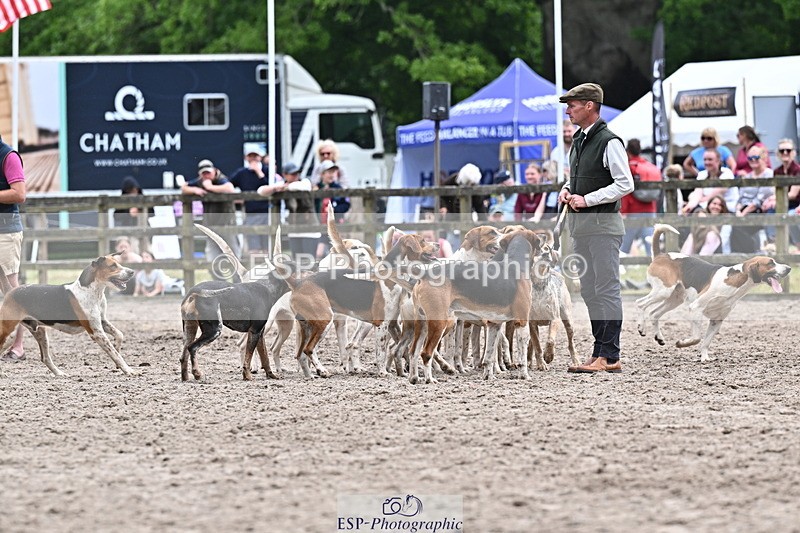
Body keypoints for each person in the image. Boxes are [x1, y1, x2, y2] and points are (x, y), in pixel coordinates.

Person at [557, 83, 633, 374]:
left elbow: (625, 183)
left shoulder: (609, 141)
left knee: (607, 288)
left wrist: (587, 199)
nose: (568, 111)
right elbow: (576, 179)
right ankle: (600, 351)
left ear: (590, 105)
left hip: (604, 226)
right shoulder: (578, 141)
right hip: (584, 227)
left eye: (572, 105)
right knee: (589, 290)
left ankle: (610, 355)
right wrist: (567, 190)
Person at [181, 159, 240, 269]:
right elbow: (184, 187)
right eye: (204, 173)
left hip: (227, 224)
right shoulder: (200, 181)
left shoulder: (221, 178)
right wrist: (194, 190)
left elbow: (230, 188)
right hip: (210, 226)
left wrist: (209, 187)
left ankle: (237, 283)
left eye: (208, 172)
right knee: (212, 260)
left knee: (233, 256)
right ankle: (218, 284)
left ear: (214, 171)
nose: (207, 175)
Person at [0, 136, 26, 362]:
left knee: (11, 291)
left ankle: (18, 346)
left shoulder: (9, 156)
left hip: (5, 233)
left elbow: (19, 193)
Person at [259, 162, 320, 258]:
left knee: (309, 262)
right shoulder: (282, 184)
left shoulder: (305, 181)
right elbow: (261, 191)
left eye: (297, 173)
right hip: (294, 230)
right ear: (285, 175)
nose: (295, 176)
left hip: (310, 229)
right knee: (296, 263)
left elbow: (302, 186)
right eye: (292, 174)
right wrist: (276, 187)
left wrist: (284, 187)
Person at [229, 146, 274, 256]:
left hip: (267, 212)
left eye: (255, 156)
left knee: (267, 246)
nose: (253, 158)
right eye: (250, 156)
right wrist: (237, 197)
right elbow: (229, 184)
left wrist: (259, 173)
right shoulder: (242, 173)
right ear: (246, 158)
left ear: (260, 157)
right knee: (253, 247)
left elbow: (272, 187)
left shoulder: (268, 170)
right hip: (251, 213)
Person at [620, 139, 661, 257]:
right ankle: (655, 268)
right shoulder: (651, 166)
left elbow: (626, 190)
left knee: (624, 244)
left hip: (632, 209)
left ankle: (620, 269)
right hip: (650, 209)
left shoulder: (629, 167)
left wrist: (623, 210)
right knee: (651, 244)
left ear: (628, 152)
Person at [731, 144, 774, 252]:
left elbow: (759, 199)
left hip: (759, 211)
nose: (753, 160)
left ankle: (748, 255)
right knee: (732, 226)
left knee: (738, 227)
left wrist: (742, 213)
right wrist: (737, 210)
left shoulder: (769, 174)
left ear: (763, 158)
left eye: (756, 157)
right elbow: (740, 197)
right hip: (743, 210)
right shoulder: (748, 176)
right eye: (750, 158)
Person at [314, 160, 350, 259]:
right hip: (320, 225)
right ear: (322, 174)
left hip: (336, 224)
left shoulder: (338, 188)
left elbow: (346, 204)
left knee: (338, 252)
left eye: (333, 172)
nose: (332, 175)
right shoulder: (316, 188)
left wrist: (333, 210)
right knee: (319, 253)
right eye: (329, 172)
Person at [773, 139, 800, 246]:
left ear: (793, 152)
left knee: (790, 215)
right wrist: (771, 200)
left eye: (788, 150)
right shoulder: (777, 171)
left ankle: (798, 244)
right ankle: (773, 241)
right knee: (768, 211)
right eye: (782, 150)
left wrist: (774, 199)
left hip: (796, 204)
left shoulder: (798, 170)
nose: (785, 153)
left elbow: (793, 194)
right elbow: (774, 190)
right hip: (781, 203)